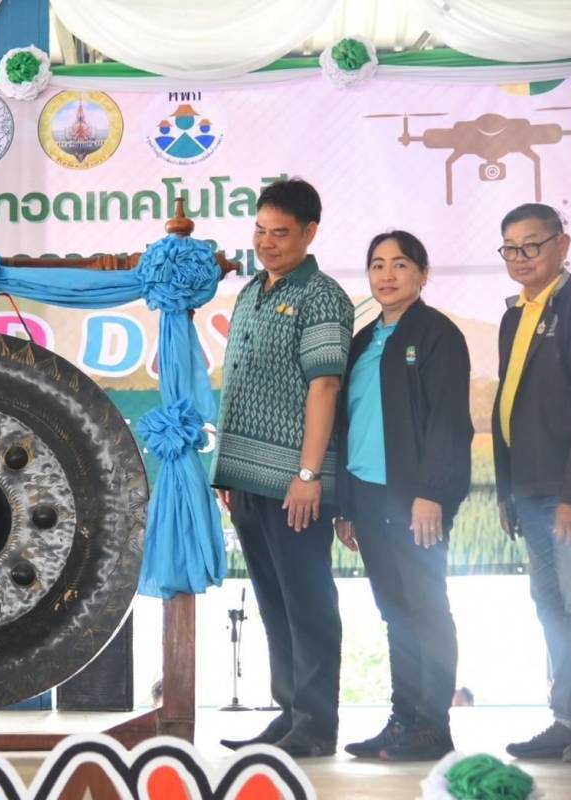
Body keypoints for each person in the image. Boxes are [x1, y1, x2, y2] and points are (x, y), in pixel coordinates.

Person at [212, 178, 353, 757]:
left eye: (281, 233)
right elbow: (240, 382)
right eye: (260, 230)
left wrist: (308, 475)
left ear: (310, 233)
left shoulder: (323, 296)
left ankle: (316, 725)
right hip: (246, 478)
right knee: (273, 601)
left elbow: (325, 386)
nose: (266, 243)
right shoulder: (251, 291)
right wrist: (226, 470)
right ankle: (290, 713)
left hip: (295, 482)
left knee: (307, 601)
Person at [334, 231, 473, 761]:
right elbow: (349, 425)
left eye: (400, 264)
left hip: (415, 500)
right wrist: (346, 506)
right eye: (377, 265)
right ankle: (404, 721)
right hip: (367, 496)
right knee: (395, 613)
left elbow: (448, 421)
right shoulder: (362, 340)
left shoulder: (437, 334)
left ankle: (433, 727)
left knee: (426, 607)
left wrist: (431, 493)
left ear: (422, 274)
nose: (387, 275)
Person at [492, 203, 571, 763]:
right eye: (510, 248)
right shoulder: (515, 314)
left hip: (570, 492)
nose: (521, 258)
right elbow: (507, 403)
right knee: (549, 602)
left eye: (532, 245)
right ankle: (566, 716)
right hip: (529, 487)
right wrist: (506, 489)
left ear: (562, 246)